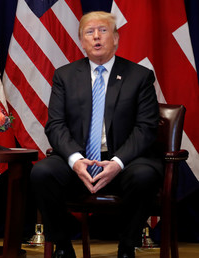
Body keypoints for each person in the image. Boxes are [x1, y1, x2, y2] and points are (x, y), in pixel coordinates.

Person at [30, 11, 163, 258]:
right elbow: (55, 125)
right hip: (80, 159)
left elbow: (146, 128)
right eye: (89, 32)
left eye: (103, 30)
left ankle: (127, 246)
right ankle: (62, 247)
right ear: (82, 41)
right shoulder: (65, 76)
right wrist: (75, 160)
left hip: (125, 160)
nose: (96, 37)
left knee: (145, 175)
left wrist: (117, 163)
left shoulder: (140, 76)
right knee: (42, 172)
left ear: (116, 38)